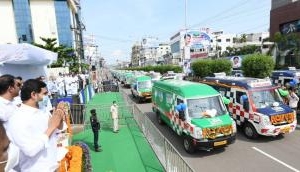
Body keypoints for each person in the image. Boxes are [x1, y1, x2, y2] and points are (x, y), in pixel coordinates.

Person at [6, 79, 64, 171]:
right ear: (33, 95)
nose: (47, 97)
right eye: (44, 94)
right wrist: (50, 128)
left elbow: (58, 129)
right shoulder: (17, 118)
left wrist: (59, 116)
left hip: (52, 167)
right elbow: (30, 150)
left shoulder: (43, 113)